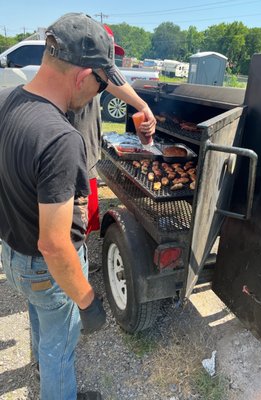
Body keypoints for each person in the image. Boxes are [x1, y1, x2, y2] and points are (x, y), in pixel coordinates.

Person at [0, 12, 155, 400]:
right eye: (102, 84)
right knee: (61, 350)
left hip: (14, 256)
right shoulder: (60, 137)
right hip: (45, 268)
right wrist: (87, 299)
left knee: (40, 318)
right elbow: (54, 245)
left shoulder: (7, 101)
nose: (100, 94)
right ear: (84, 76)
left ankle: (39, 369)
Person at [67, 26, 126, 274]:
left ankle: (81, 258)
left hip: (90, 158)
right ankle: (75, 265)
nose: (112, 60)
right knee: (75, 220)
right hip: (77, 163)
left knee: (88, 218)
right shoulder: (77, 82)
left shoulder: (95, 81)